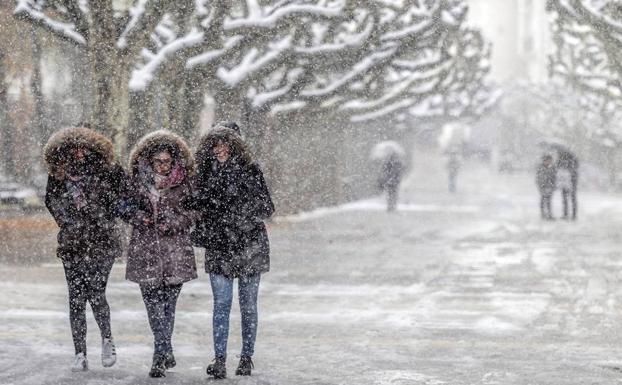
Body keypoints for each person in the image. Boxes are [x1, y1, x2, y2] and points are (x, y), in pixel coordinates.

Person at [187, 123, 274, 379]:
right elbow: (198, 205)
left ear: (236, 145)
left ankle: (246, 358)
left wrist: (238, 212)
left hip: (249, 246)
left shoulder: (251, 171)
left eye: (225, 143)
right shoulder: (204, 172)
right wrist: (200, 205)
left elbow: (267, 207)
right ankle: (220, 360)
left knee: (248, 305)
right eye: (215, 144)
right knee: (221, 304)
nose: (220, 149)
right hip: (219, 246)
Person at [44, 126, 125, 371]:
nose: (79, 152)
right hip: (73, 244)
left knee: (96, 292)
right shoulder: (59, 172)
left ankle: (107, 339)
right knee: (76, 299)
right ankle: (80, 352)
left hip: (103, 242)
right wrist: (68, 221)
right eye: (74, 147)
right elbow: (51, 200)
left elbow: (121, 197)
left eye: (83, 146)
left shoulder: (108, 170)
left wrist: (102, 217)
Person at [121, 131, 198, 378]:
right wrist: (139, 217)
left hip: (175, 252)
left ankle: (160, 352)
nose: (161, 166)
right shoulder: (136, 181)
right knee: (153, 307)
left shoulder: (186, 182)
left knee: (168, 307)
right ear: (149, 161)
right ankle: (163, 350)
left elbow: (196, 211)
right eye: (157, 161)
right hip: (145, 251)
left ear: (174, 161)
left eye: (166, 161)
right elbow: (123, 206)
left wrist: (175, 222)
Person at [556, 152, 578, 220]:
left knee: (568, 199)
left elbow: (558, 167)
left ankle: (569, 214)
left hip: (570, 182)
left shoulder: (571, 160)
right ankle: (569, 214)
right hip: (567, 183)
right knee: (569, 199)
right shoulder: (571, 159)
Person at [536, 154, 556, 220]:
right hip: (543, 187)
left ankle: (549, 214)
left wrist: (553, 186)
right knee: (543, 201)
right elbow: (538, 178)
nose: (549, 162)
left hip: (550, 187)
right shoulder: (541, 168)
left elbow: (554, 178)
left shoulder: (552, 168)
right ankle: (543, 214)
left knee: (549, 201)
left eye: (550, 160)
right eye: (548, 160)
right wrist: (541, 186)